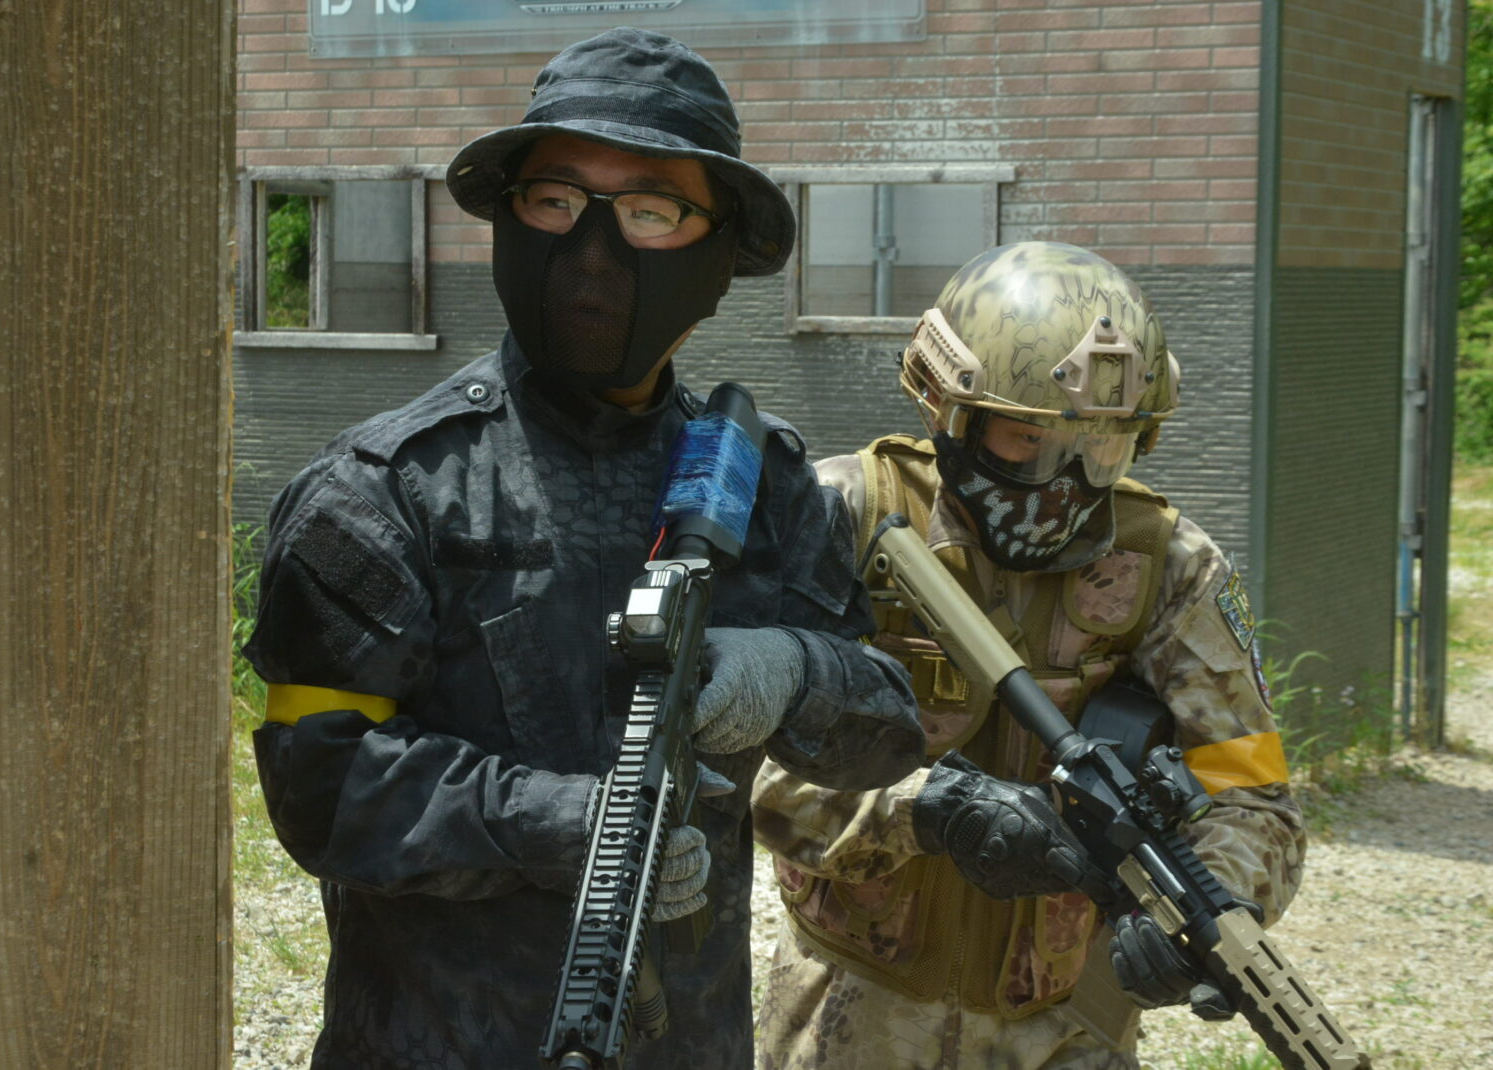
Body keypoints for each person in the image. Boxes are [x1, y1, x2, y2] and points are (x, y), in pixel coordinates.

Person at [242, 27, 924, 1070]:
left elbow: (886, 731)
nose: (592, 251)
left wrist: (794, 673)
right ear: (507, 218)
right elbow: (319, 786)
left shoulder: (763, 482)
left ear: (717, 254)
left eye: (650, 211)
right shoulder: (385, 489)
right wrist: (567, 824)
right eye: (556, 201)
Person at [751, 241, 1307, 1070]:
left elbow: (1253, 790)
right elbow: (738, 769)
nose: (1067, 482)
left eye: (1104, 447)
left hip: (1061, 1021)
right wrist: (925, 810)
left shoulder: (1172, 568)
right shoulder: (843, 516)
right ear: (949, 412)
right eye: (1029, 439)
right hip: (852, 1004)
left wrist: (1214, 905)